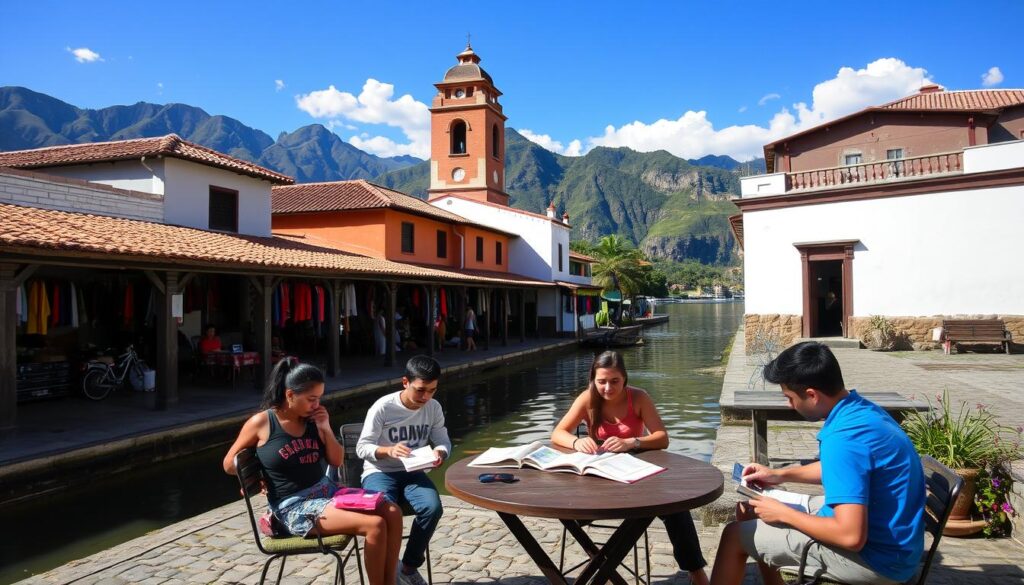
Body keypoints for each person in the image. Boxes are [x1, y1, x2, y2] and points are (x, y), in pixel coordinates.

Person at [710, 342, 925, 585]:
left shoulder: (843, 438)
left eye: (789, 397)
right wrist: (779, 475)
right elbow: (840, 470)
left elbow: (851, 536)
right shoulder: (860, 411)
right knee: (752, 510)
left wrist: (785, 513)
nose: (788, 405)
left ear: (812, 395)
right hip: (895, 546)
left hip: (876, 562)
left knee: (733, 537)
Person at [222, 361, 403, 585]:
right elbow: (230, 463)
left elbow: (336, 460)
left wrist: (325, 428)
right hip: (292, 507)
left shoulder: (312, 421)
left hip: (327, 491)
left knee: (392, 511)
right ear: (290, 394)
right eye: (311, 399)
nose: (317, 404)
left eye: (319, 397)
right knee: (374, 525)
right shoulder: (263, 422)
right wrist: (256, 476)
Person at [551, 351, 710, 585]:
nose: (607, 387)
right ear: (593, 380)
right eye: (601, 381)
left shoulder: (639, 397)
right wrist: (577, 441)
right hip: (599, 480)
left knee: (675, 508)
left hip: (637, 477)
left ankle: (696, 571)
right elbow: (557, 433)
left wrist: (632, 442)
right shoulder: (587, 399)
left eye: (614, 381)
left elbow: (662, 438)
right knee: (569, 508)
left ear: (624, 378)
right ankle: (599, 567)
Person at [357, 355, 451, 585]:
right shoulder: (383, 407)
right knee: (385, 511)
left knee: (432, 507)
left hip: (414, 470)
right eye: (421, 390)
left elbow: (443, 440)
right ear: (405, 382)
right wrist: (387, 450)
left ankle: (407, 568)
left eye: (432, 390)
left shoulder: (433, 407)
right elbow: (362, 447)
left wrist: (440, 453)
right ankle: (388, 570)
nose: (426, 397)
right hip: (379, 471)